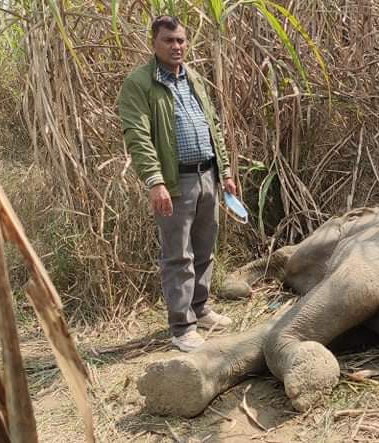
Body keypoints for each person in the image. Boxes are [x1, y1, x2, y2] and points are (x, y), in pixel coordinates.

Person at [117, 16, 237, 352]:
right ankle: (182, 327)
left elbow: (213, 126)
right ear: (153, 43)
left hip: (207, 175)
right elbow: (137, 137)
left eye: (181, 40)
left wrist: (225, 172)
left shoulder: (194, 79)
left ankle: (200, 309)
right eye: (169, 40)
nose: (177, 46)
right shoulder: (139, 84)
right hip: (175, 181)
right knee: (177, 256)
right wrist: (155, 182)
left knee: (203, 248)